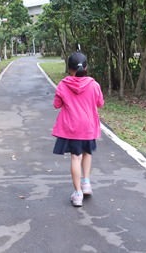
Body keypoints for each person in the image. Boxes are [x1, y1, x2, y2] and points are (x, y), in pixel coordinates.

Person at [52, 51, 105, 207]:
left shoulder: (63, 85)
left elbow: (56, 105)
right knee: (87, 153)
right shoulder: (94, 85)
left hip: (72, 128)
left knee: (76, 157)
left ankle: (77, 194)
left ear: (69, 69)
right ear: (86, 67)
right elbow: (100, 103)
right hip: (88, 127)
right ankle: (86, 183)